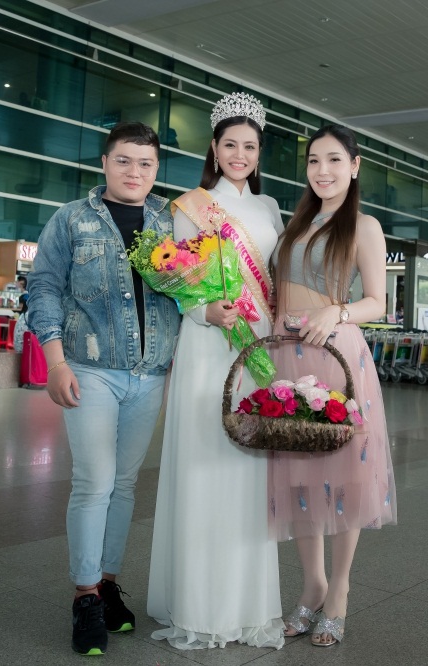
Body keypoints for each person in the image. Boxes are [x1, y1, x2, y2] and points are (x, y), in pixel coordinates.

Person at [28, 121, 181, 657]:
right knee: (93, 483)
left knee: (124, 485)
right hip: (90, 367)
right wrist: (55, 361)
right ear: (105, 162)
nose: (134, 172)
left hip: (150, 372)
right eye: (123, 160)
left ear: (156, 168)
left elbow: (189, 292)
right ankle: (85, 596)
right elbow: (44, 287)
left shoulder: (170, 221)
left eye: (145, 163)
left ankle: (109, 584)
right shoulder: (72, 219)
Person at [147, 92, 285, 651]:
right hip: (209, 344)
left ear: (259, 152)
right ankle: (200, 606)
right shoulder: (189, 207)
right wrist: (207, 311)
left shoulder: (270, 208)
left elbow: (275, 278)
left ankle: (246, 606)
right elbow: (177, 282)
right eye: (230, 144)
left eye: (250, 146)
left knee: (248, 470)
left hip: (256, 348)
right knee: (205, 463)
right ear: (214, 146)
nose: (240, 155)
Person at [269, 125, 397, 648]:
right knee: (300, 475)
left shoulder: (364, 226)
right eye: (314, 161)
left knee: (343, 476)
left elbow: (378, 302)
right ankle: (313, 584)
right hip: (286, 356)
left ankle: (339, 589)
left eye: (334, 160)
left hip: (335, 355)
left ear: (355, 165)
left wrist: (336, 311)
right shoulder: (296, 223)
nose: (322, 171)